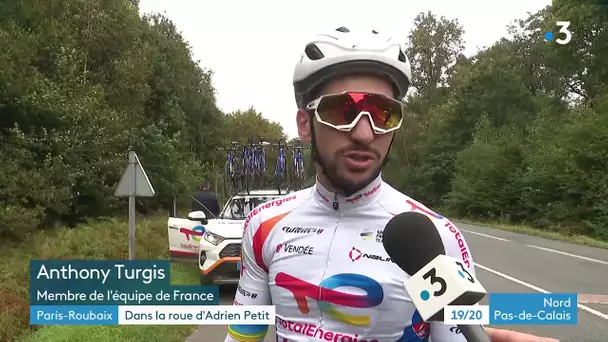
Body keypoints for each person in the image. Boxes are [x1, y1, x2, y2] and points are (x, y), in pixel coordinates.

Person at [225, 27, 557, 342]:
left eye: (384, 113)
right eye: (343, 111)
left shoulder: (435, 238)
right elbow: (241, 336)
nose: (365, 134)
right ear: (305, 124)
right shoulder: (263, 226)